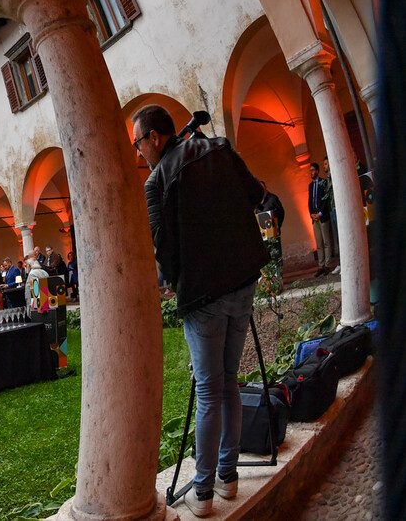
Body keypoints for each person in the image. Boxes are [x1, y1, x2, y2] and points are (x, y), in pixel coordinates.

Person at [133, 104, 268, 517]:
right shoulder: (220, 148)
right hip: (243, 280)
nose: (139, 153)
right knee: (229, 381)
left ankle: (205, 490)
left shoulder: (156, 182)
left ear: (155, 137)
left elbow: (163, 247)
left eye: (138, 143)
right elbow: (256, 195)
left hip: (202, 297)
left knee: (210, 389)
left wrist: (178, 283)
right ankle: (228, 477)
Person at [306, 161, 336, 276]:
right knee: (319, 243)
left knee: (326, 241)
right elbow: (309, 202)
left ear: (317, 171)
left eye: (313, 170)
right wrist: (312, 214)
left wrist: (320, 213)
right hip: (315, 219)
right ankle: (321, 265)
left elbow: (325, 200)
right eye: (310, 171)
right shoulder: (310, 185)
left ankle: (327, 265)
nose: (311, 172)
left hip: (322, 217)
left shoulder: (323, 183)